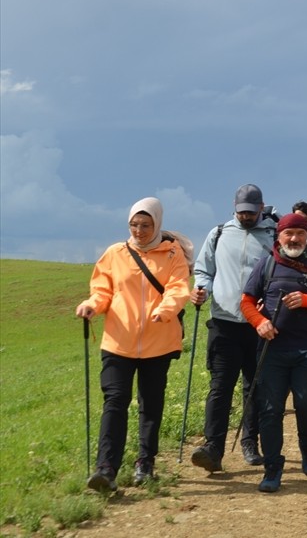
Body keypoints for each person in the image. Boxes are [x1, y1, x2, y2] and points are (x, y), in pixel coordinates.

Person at [76, 198, 191, 493]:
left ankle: (145, 463)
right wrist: (91, 305)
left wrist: (165, 310)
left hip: (159, 341)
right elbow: (102, 290)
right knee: (115, 401)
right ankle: (106, 468)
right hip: (118, 342)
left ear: (157, 224)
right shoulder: (115, 253)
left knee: (151, 404)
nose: (139, 231)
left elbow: (179, 288)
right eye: (134, 225)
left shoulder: (173, 253)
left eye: (146, 225)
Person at [239, 213, 307, 492]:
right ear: (279, 236)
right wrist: (260, 323)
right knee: (270, 411)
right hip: (272, 350)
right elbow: (246, 302)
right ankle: (273, 468)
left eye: (299, 233)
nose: (294, 239)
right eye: (288, 234)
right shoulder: (267, 264)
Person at [190, 184, 277, 472]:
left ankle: (250, 443)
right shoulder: (218, 234)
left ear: (261, 208)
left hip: (258, 325)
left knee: (255, 388)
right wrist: (201, 288)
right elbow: (203, 269)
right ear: (234, 207)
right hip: (223, 322)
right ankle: (213, 447)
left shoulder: (273, 236)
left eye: (251, 213)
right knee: (220, 387)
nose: (246, 217)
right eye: (241, 212)